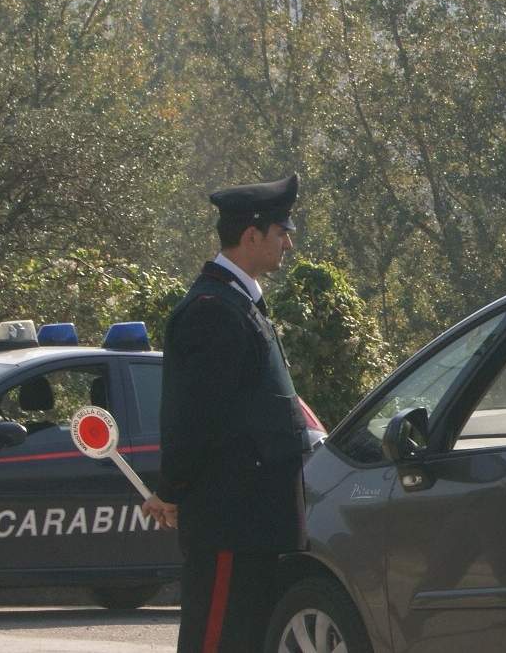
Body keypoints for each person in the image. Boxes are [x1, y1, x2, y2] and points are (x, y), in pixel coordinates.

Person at [141, 174, 309, 653]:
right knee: (218, 640)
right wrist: (172, 490)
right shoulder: (213, 311)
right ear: (251, 235)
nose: (288, 244)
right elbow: (195, 418)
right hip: (230, 516)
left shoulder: (239, 304)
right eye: (281, 233)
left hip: (255, 518)